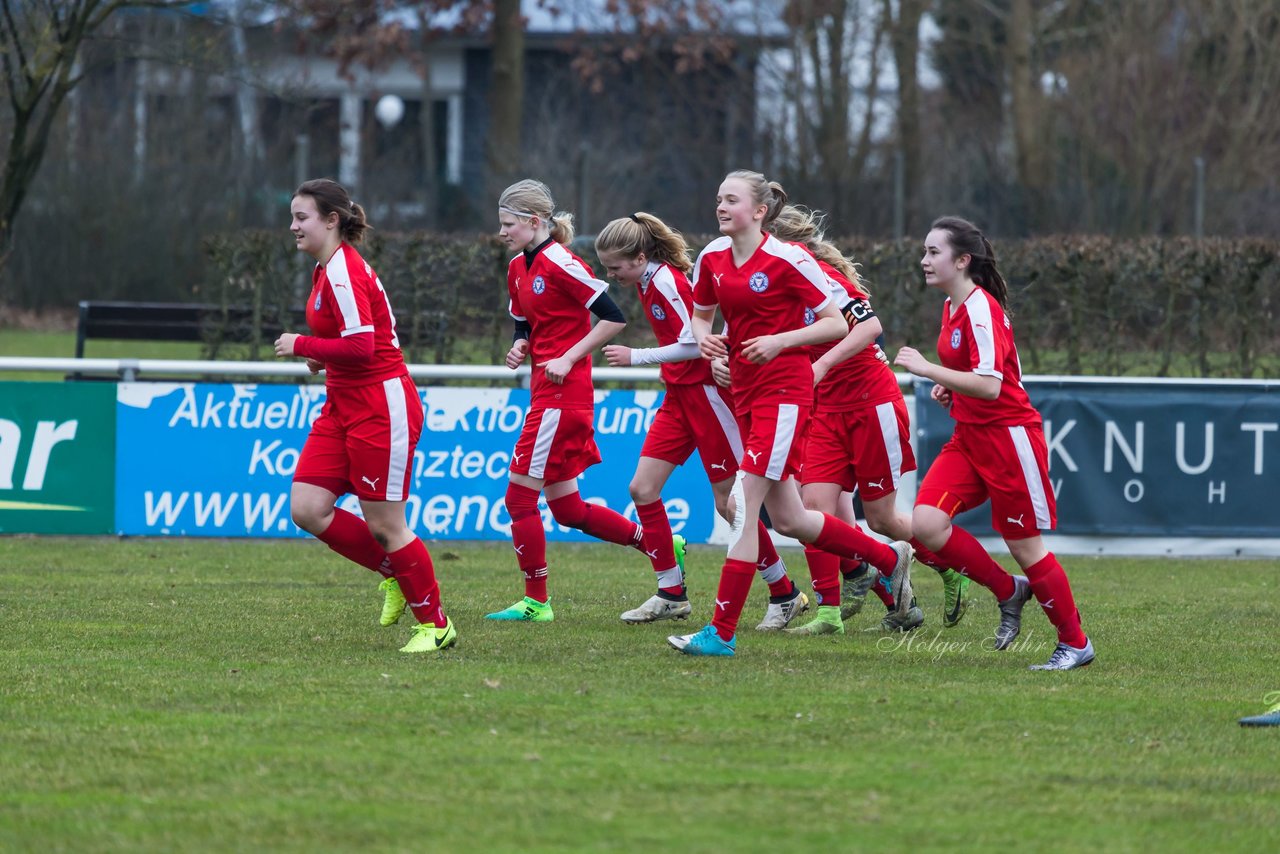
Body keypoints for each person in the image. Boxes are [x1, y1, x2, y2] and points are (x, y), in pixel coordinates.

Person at [668, 169, 914, 657]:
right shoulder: (712, 258)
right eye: (718, 198)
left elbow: (835, 325)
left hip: (786, 392)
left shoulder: (789, 259)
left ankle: (720, 633)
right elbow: (700, 314)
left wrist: (781, 341)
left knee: (743, 505)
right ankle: (886, 556)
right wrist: (705, 340)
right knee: (791, 518)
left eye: (731, 199)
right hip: (745, 390)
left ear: (759, 211)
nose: (720, 207)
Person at [894, 216, 1095, 670]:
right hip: (969, 437)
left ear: (962, 261)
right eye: (924, 252)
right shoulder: (951, 306)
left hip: (1008, 440)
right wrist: (952, 386)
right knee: (926, 524)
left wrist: (928, 372)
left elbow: (989, 385)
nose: (923, 260)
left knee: (1026, 547)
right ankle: (1009, 591)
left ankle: (1075, 643)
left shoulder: (980, 307)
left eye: (933, 252)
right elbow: (980, 378)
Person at [596, 212, 808, 630]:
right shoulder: (645, 281)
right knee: (642, 488)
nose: (611, 275)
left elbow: (696, 344)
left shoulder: (666, 282)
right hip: (679, 398)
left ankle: (785, 593)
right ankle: (671, 592)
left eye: (615, 267)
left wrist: (636, 357)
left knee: (732, 505)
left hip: (708, 398)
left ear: (639, 257)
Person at [766, 205, 971, 636]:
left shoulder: (818, 273)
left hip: (870, 403)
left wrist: (820, 368)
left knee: (882, 520)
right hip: (825, 411)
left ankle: (950, 569)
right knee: (811, 511)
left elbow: (868, 327)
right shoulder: (774, 282)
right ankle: (828, 614)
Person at [274, 178, 455, 654]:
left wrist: (302, 346)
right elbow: (349, 342)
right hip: (342, 404)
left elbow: (363, 346)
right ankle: (394, 571)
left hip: (380, 404)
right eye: (292, 217)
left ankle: (436, 627)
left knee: (386, 524)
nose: (292, 226)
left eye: (301, 217)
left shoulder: (342, 271)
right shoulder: (324, 268)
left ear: (331, 220)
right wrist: (321, 358)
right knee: (308, 508)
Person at [488, 179, 646, 622]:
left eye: (508, 224)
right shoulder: (517, 267)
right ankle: (657, 542)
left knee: (519, 501)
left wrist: (570, 355)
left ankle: (537, 602)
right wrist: (521, 346)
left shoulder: (563, 262)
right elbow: (524, 325)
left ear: (534, 221)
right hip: (544, 391)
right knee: (569, 509)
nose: (501, 232)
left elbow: (614, 318)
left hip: (563, 397)